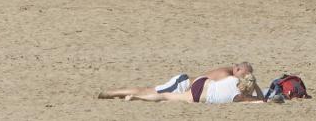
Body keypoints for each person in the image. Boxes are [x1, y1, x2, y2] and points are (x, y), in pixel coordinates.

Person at [98, 62, 256, 100]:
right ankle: (112, 93)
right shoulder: (225, 75)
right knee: (150, 92)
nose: (244, 77)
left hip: (187, 85)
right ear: (238, 69)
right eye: (245, 73)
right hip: (183, 84)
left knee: (154, 94)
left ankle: (117, 94)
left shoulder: (229, 71)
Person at [125, 74, 266, 104]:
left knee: (172, 97)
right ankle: (136, 97)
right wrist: (257, 87)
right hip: (198, 95)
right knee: (167, 96)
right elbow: (260, 100)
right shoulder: (239, 98)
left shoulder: (233, 79)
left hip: (203, 81)